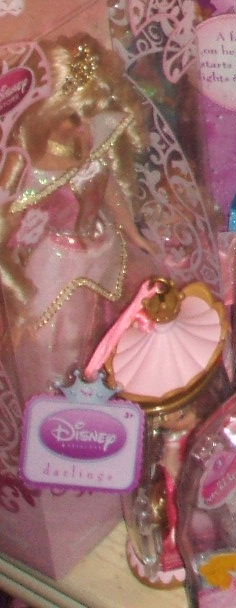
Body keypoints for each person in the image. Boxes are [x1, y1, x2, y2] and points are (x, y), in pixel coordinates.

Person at [0, 37, 156, 395]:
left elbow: (109, 186)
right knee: (59, 335)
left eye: (89, 115)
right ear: (47, 113)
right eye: (73, 118)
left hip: (103, 246)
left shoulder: (89, 140)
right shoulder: (32, 170)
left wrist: (133, 232)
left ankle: (102, 384)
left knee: (108, 320)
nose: (85, 125)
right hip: (57, 262)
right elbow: (13, 228)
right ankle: (61, 396)